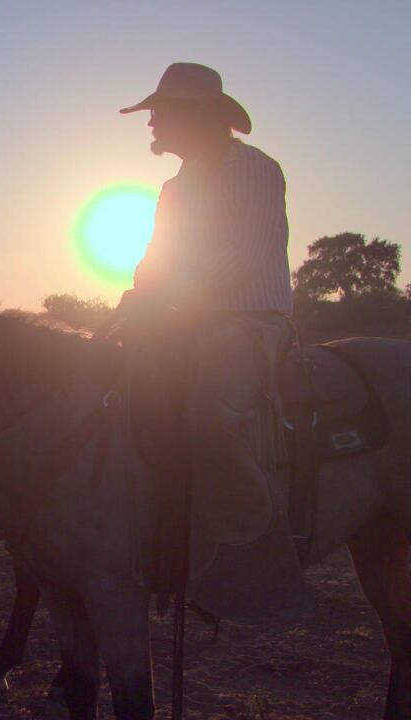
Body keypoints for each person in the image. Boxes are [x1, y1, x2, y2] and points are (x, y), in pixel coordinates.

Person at [117, 62, 303, 620]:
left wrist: (169, 297)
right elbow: (158, 258)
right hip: (190, 318)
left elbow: (241, 259)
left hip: (251, 319)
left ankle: (251, 537)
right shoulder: (174, 188)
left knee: (208, 409)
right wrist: (141, 290)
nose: (150, 121)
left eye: (159, 111)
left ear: (193, 115)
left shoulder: (254, 169)